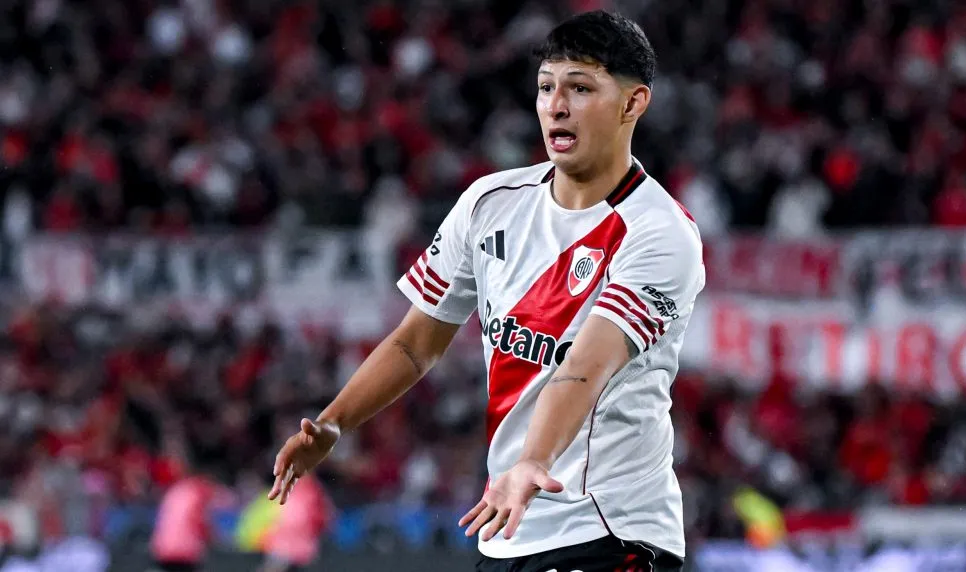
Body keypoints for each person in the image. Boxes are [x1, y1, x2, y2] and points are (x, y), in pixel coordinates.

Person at [268, 10, 704, 572]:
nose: (556, 105)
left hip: (610, 529)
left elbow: (584, 367)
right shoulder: (490, 202)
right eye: (547, 87)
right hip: (508, 533)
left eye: (580, 88)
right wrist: (333, 423)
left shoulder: (660, 231)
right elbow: (414, 344)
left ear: (633, 103)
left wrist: (532, 461)